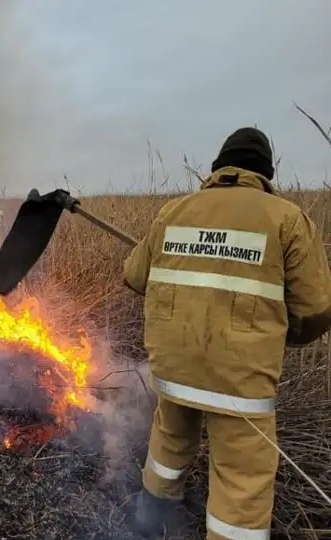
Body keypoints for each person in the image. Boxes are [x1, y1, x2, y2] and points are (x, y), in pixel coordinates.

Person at [123, 127, 331, 539]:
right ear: (266, 173)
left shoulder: (174, 211)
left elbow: (134, 275)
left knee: (170, 436)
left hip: (174, 367)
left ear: (218, 167)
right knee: (242, 476)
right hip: (239, 378)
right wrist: (284, 333)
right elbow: (316, 309)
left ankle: (152, 518)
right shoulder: (286, 219)